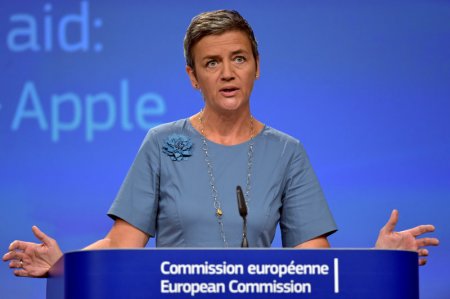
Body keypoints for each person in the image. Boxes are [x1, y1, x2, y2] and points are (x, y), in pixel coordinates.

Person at [2, 10, 439, 278]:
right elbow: (121, 246)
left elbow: (315, 266)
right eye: (212, 63)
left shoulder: (287, 152)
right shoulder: (162, 142)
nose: (227, 73)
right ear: (193, 76)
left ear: (256, 67)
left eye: (239, 59)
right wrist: (64, 265)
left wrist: (379, 262)